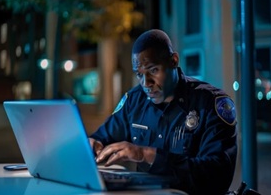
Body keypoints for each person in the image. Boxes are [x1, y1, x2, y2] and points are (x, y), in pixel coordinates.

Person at [89, 29, 237, 195]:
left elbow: (218, 174)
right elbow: (103, 137)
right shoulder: (134, 100)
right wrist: (94, 144)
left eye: (153, 70)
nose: (146, 83)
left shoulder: (210, 103)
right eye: (139, 74)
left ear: (173, 61)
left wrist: (145, 155)